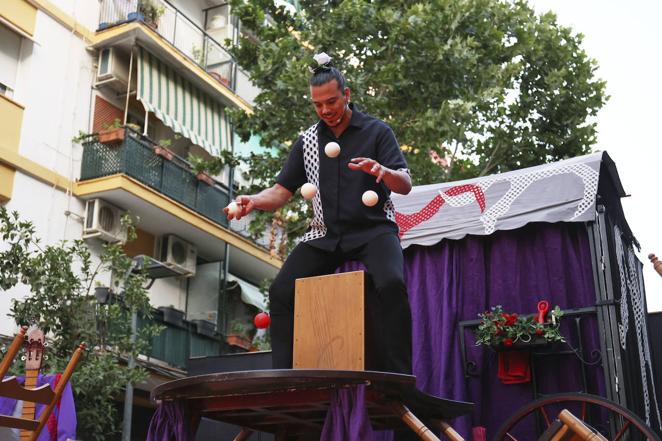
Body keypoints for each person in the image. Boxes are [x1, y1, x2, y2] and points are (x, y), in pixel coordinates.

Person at [225, 53, 413, 374]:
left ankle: (398, 376)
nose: (325, 110)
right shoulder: (308, 141)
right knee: (281, 291)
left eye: (332, 101)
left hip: (373, 230)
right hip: (324, 234)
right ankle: (285, 376)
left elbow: (405, 183)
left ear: (347, 95)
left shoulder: (377, 132)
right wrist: (253, 201)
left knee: (392, 283)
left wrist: (383, 170)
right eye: (318, 104)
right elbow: (280, 192)